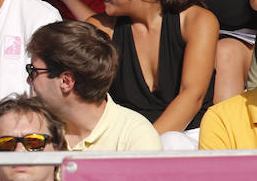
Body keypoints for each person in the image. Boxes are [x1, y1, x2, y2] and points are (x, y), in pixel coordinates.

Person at [87, 0, 218, 149]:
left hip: (190, 140)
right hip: (126, 146)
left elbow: (192, 97)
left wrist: (143, 150)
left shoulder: (197, 21)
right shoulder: (100, 30)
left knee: (172, 143)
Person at [27, 20, 161, 151]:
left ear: (66, 81)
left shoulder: (135, 138)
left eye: (33, 71)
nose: (28, 80)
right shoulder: (28, 130)